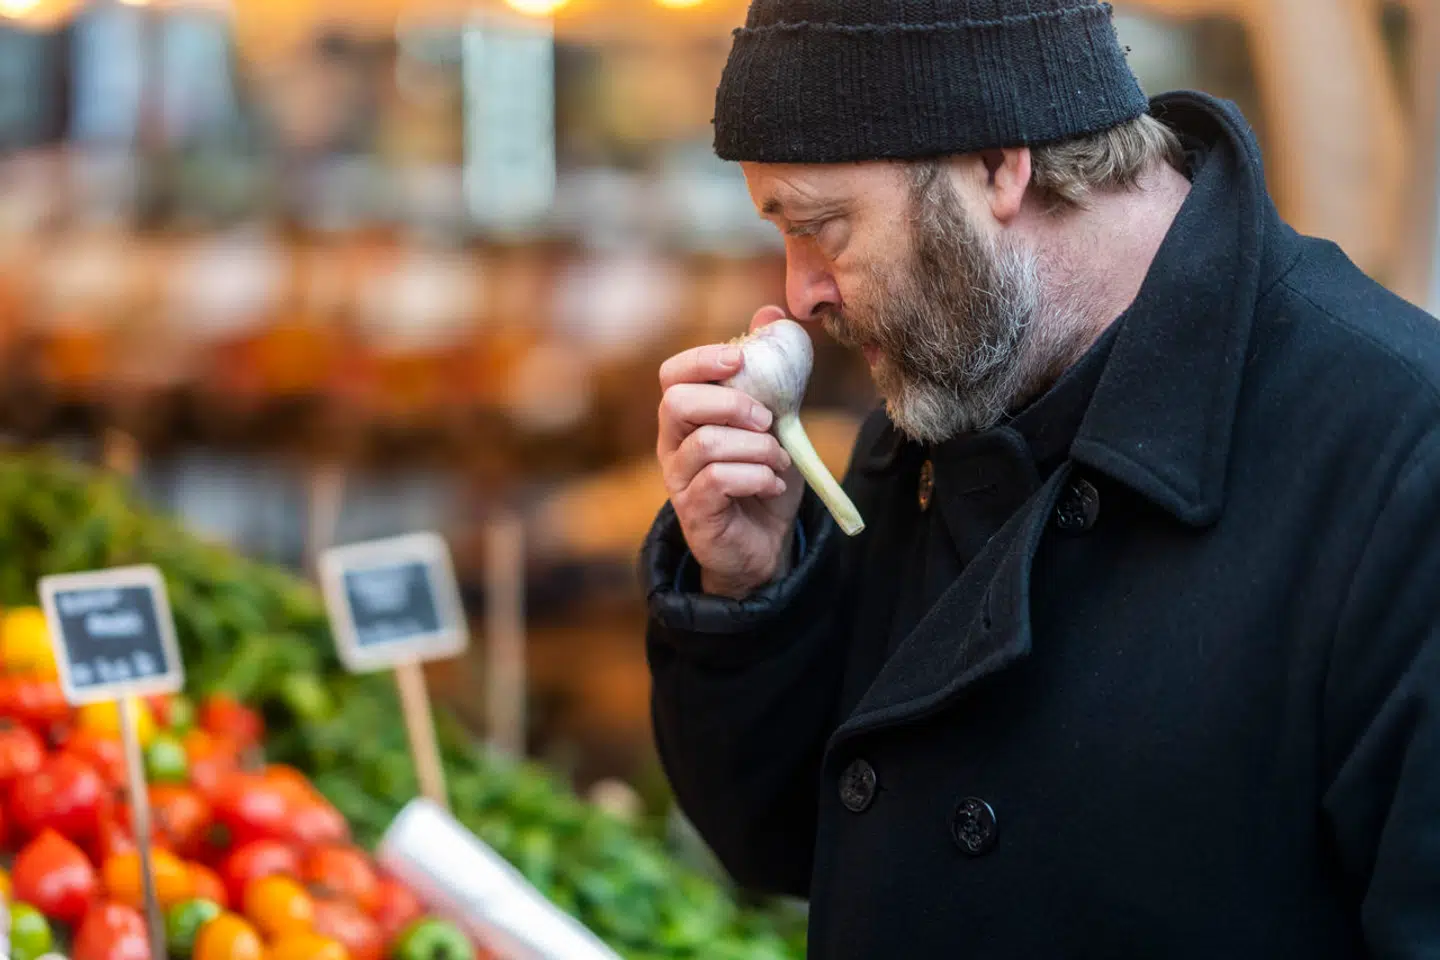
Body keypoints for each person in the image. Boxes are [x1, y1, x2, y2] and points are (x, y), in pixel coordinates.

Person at [640, 0, 1440, 956]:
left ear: (997, 162)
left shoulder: (1402, 456)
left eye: (821, 226)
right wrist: (750, 586)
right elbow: (787, 845)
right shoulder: (949, 402)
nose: (802, 293)